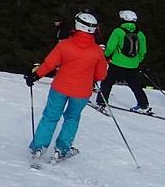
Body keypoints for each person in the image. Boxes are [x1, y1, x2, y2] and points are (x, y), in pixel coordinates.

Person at [26, 12, 108, 162]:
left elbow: (49, 64)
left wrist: (35, 76)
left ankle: (39, 147)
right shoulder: (97, 51)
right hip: (82, 92)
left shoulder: (65, 44)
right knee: (72, 119)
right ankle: (61, 149)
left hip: (60, 87)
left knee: (50, 117)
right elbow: (101, 75)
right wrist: (91, 77)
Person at [95, 10, 150, 114]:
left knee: (107, 82)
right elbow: (143, 51)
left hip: (117, 62)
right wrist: (138, 60)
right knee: (134, 84)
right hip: (133, 64)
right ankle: (144, 105)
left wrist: (105, 55)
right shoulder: (140, 34)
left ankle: (101, 103)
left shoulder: (118, 31)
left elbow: (111, 47)